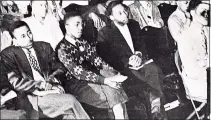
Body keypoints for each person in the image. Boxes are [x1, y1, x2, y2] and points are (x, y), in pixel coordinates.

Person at [0, 20, 90, 119]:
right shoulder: (8, 54)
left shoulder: (44, 46)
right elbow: (16, 83)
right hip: (31, 97)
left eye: (29, 33)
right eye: (23, 36)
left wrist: (51, 80)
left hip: (52, 91)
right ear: (15, 41)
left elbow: (60, 68)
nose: (29, 38)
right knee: (70, 100)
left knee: (70, 116)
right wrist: (42, 84)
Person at [96, 1, 166, 119]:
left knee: (154, 69)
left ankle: (155, 110)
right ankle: (155, 108)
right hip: (123, 68)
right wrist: (128, 61)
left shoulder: (134, 24)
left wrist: (138, 54)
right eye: (120, 13)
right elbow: (108, 57)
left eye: (125, 11)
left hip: (140, 63)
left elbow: (141, 44)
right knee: (149, 79)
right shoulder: (104, 33)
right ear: (111, 17)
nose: (125, 15)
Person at [55, 11, 129, 119]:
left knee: (114, 88)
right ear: (66, 26)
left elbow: (96, 60)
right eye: (77, 24)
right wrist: (106, 80)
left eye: (82, 24)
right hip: (76, 85)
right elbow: (78, 73)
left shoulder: (82, 42)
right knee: (114, 92)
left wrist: (114, 73)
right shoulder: (62, 49)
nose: (81, 27)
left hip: (93, 78)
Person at [176, 0, 209, 99]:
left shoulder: (208, 30)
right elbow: (192, 71)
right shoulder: (185, 36)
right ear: (192, 13)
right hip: (199, 82)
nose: (207, 14)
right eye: (203, 10)